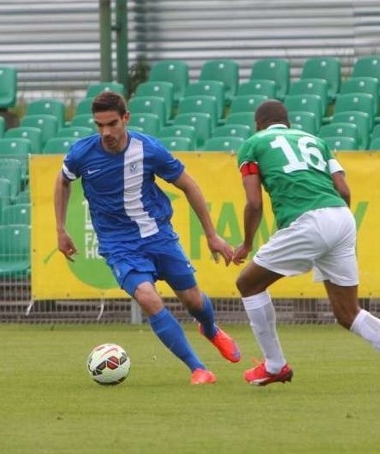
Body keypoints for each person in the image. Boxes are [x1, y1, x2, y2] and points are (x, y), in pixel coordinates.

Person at [232, 100, 380, 391]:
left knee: (248, 284)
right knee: (347, 312)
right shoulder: (316, 140)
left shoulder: (253, 144)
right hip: (341, 217)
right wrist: (336, 231)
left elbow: (254, 203)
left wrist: (247, 244)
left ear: (258, 124)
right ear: (287, 123)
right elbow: (344, 190)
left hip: (307, 221)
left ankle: (275, 365)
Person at [54, 91, 241, 385]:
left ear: (126, 118)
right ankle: (198, 368)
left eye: (112, 124)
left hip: (158, 236)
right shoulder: (82, 153)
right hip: (119, 245)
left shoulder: (149, 149)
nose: (106, 132)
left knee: (193, 300)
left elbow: (189, 185)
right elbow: (63, 180)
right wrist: (60, 229)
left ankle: (210, 328)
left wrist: (212, 234)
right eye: (99, 125)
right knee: (148, 298)